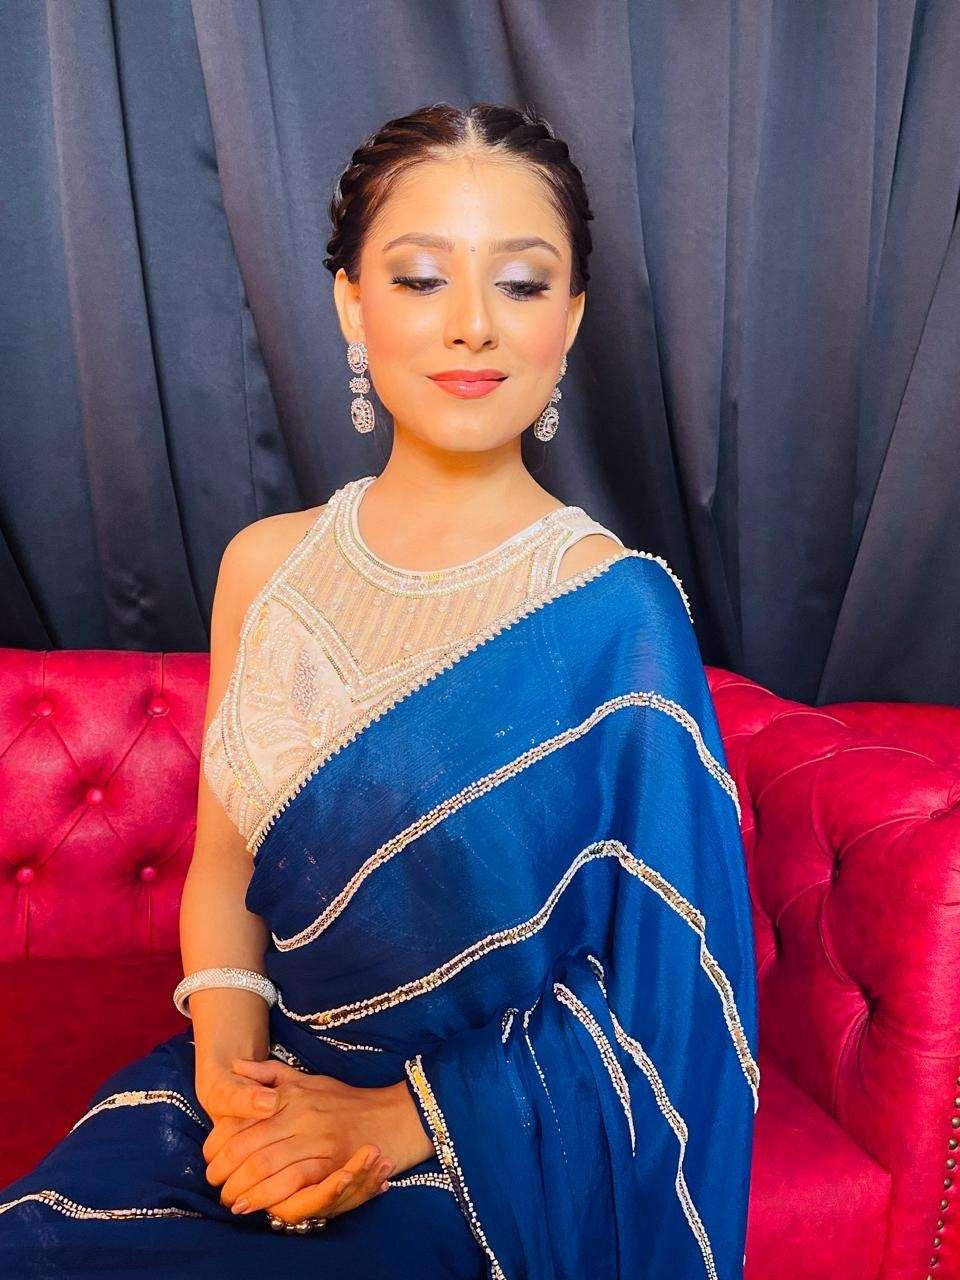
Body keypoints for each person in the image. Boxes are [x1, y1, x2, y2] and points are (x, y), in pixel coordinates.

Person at [0, 101, 759, 1279]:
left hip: (484, 1154)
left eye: (521, 282)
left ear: (570, 319)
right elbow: (225, 868)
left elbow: (665, 991)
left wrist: (393, 1120)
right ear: (352, 303)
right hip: (261, 1089)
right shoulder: (266, 567)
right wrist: (237, 1088)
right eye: (419, 277)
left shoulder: (614, 611)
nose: (472, 323)